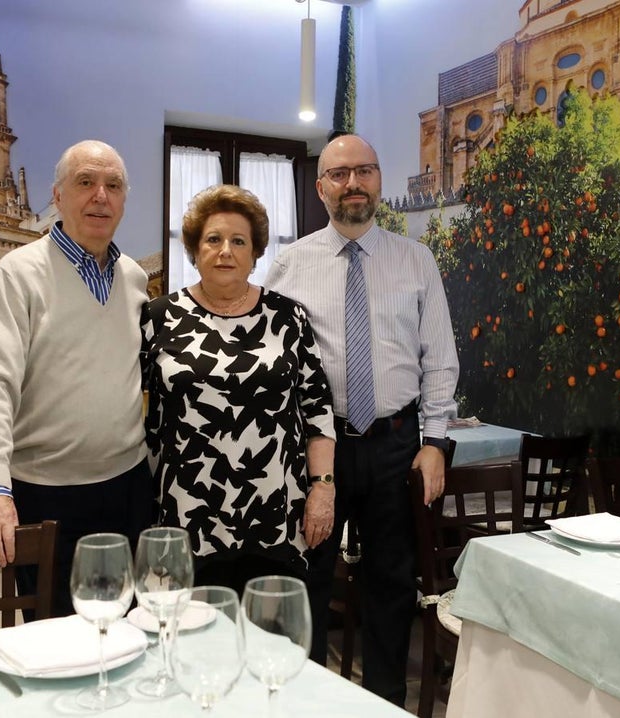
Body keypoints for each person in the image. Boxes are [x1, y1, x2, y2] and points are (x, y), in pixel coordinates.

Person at [266, 134, 459, 706]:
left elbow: (440, 358)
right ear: (321, 186)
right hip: (317, 450)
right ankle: (300, 703)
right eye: (340, 173)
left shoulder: (415, 260)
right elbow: (272, 359)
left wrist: (437, 441)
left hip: (396, 444)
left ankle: (383, 704)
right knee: (307, 579)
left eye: (365, 171)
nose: (354, 183)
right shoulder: (290, 263)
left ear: (379, 179)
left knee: (391, 586)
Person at [0, 140, 155, 616]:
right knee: (54, 651)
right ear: (58, 195)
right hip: (43, 498)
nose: (101, 196)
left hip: (129, 491)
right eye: (85, 183)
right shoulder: (17, 273)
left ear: (125, 199)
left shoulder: (134, 279)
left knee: (130, 638)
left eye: (113, 185)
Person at [142, 184, 336, 596]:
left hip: (276, 520)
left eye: (238, 241)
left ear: (255, 253)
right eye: (213, 239)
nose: (225, 250)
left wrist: (323, 486)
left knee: (271, 647)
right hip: (186, 519)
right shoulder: (159, 317)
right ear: (195, 250)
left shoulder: (288, 317)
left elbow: (318, 410)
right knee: (193, 647)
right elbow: (138, 414)